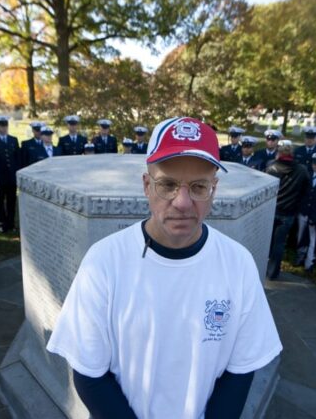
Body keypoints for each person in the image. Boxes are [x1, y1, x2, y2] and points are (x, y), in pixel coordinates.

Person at [47, 116, 282, 419]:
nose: (182, 202)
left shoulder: (238, 264)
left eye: (199, 186)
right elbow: (89, 373)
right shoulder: (104, 261)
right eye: (168, 185)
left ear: (214, 188)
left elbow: (240, 369)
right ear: (147, 185)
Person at [265, 140, 311, 280]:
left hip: (271, 210)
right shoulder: (302, 170)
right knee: (279, 244)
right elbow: (306, 191)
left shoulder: (271, 167)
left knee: (265, 241)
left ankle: (261, 268)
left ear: (278, 153)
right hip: (288, 212)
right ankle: (273, 273)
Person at [0, 116, 20, 232]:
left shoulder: (13, 140)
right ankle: (2, 222)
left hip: (11, 177)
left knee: (11, 201)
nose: (4, 128)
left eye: (5, 126)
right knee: (0, 201)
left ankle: (11, 223)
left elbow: (16, 158)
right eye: (1, 126)